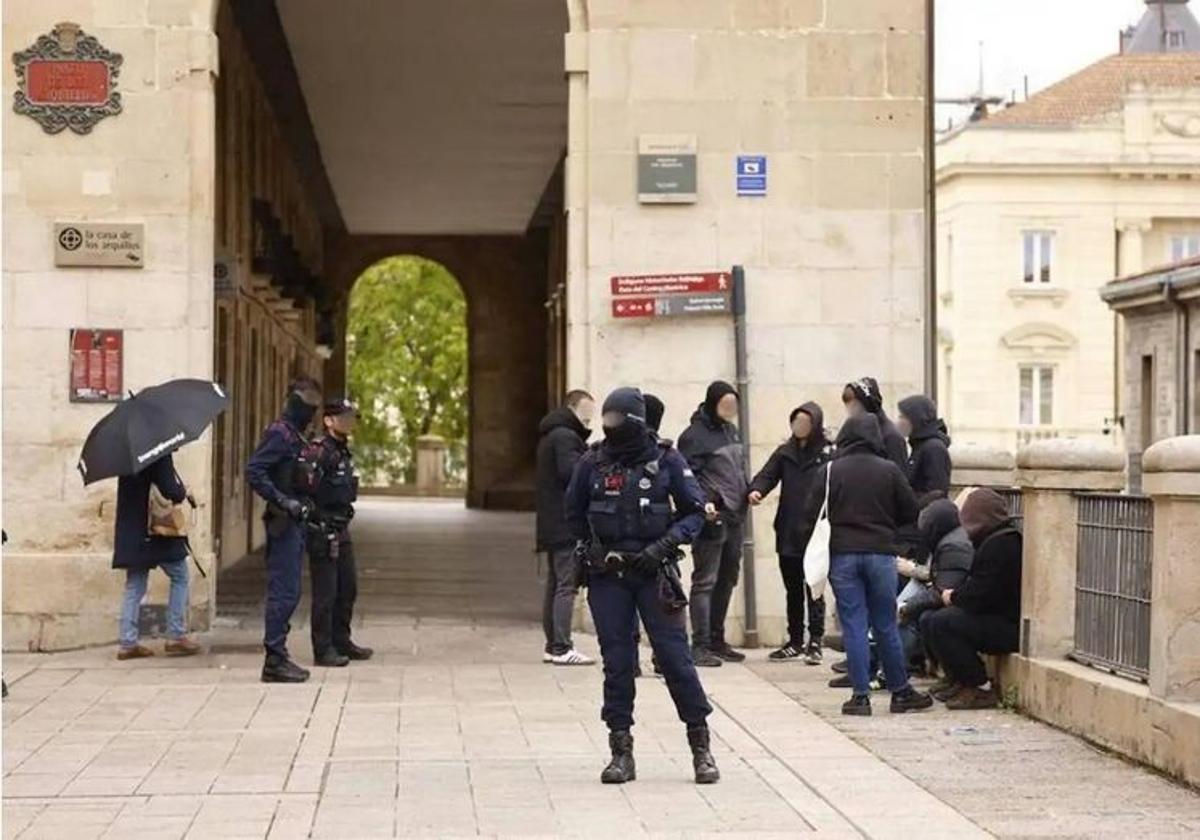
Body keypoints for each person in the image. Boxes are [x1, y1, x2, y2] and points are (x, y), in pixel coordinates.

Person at [565, 387, 719, 785]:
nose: (611, 428)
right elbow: (572, 513)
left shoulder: (667, 459)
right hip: (609, 576)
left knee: (674, 660)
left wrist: (665, 545)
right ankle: (621, 752)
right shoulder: (593, 462)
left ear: (635, 423)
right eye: (607, 420)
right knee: (617, 664)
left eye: (619, 421)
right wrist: (594, 550)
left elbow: (694, 513)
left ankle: (701, 749)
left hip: (655, 574)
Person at [803, 414, 932, 716]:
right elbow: (911, 510)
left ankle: (860, 698)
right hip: (880, 554)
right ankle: (900, 692)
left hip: (843, 556)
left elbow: (810, 513)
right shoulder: (888, 470)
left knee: (854, 626)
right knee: (885, 624)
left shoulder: (830, 470)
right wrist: (887, 527)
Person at [246, 376, 323, 683]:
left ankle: (279, 654)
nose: (310, 411)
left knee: (291, 592)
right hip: (283, 522)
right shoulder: (279, 433)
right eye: (307, 404)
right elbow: (255, 470)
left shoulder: (296, 436)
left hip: (297, 522)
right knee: (284, 592)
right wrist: (282, 500)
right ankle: (274, 659)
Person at [922, 488, 1022, 710]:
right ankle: (958, 679)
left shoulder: (1002, 545)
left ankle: (979, 686)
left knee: (944, 622)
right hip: (993, 617)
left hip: (1006, 626)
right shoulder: (992, 541)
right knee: (932, 619)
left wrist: (954, 597)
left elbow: (982, 592)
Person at [748, 402, 831, 664]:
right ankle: (795, 640)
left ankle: (815, 640)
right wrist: (757, 490)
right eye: (796, 422)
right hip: (788, 529)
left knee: (814, 586)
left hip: (815, 531)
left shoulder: (828, 454)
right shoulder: (786, 452)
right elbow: (767, 475)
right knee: (792, 588)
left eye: (805, 423)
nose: (800, 427)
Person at [296, 398, 372, 667]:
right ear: (328, 420)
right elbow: (305, 488)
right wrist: (315, 520)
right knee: (326, 592)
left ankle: (342, 640)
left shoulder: (341, 451)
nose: (349, 423)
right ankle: (323, 648)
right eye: (344, 417)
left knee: (347, 588)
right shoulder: (319, 451)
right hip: (323, 528)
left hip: (342, 526)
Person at [678, 381, 749, 667]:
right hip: (711, 518)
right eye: (725, 405)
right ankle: (701, 644)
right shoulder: (694, 437)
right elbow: (687, 478)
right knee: (705, 580)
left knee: (728, 577)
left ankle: (717, 639)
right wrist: (704, 503)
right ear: (712, 403)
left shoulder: (730, 430)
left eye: (734, 405)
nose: (731, 410)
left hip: (735, 517)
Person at [112, 452, 201, 660]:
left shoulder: (128, 454)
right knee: (180, 576)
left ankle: (127, 642)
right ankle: (176, 636)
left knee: (135, 584)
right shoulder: (159, 452)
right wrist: (183, 491)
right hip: (156, 530)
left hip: (132, 528)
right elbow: (170, 489)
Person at [535, 389, 596, 666]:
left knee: (556, 584)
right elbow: (572, 474)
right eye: (586, 409)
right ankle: (561, 646)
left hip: (553, 522)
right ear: (572, 407)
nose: (590, 416)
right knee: (566, 586)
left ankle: (553, 645)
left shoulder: (555, 435)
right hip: (565, 523)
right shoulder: (565, 437)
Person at [896, 499, 974, 666]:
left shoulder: (953, 546)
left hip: (960, 602)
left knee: (922, 617)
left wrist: (906, 607)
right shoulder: (951, 540)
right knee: (921, 615)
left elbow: (942, 590)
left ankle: (894, 669)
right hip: (955, 597)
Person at [842, 377, 907, 472]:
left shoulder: (891, 436)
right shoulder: (855, 431)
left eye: (854, 405)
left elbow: (899, 475)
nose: (850, 411)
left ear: (867, 404)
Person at [896, 395, 952, 506]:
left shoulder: (933, 448)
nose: (899, 421)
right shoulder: (919, 446)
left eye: (903, 417)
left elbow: (937, 492)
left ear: (915, 419)